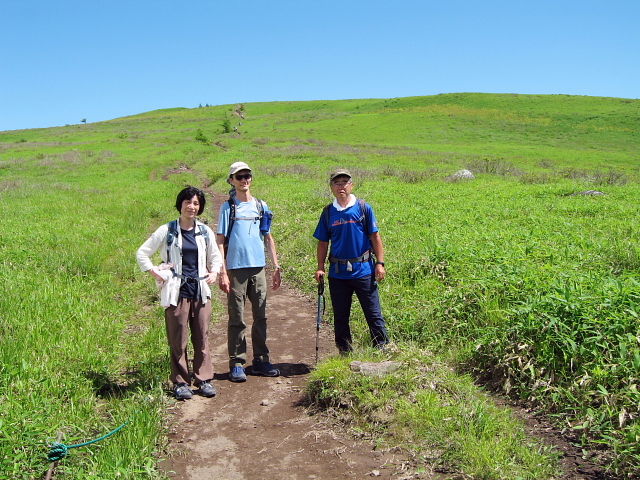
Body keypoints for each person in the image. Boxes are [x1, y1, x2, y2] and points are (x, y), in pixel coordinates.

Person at [136, 186, 222, 400]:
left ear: (200, 207)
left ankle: (204, 379)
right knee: (178, 339)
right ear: (180, 204)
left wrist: (215, 272)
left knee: (202, 337)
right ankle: (181, 382)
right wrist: (155, 272)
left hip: (200, 291)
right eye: (188, 202)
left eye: (196, 203)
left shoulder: (204, 231)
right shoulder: (167, 230)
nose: (192, 207)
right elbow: (142, 253)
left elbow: (215, 256)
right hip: (176, 292)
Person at [217, 161, 282, 382]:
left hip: (259, 268)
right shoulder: (228, 207)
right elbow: (220, 241)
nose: (244, 180)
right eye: (239, 177)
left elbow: (268, 237)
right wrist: (222, 272)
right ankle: (237, 363)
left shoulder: (261, 206)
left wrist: (276, 266)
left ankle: (262, 360)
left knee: (261, 316)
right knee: (236, 317)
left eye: (247, 176)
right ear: (231, 181)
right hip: (236, 269)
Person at [313, 169, 389, 354]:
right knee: (340, 317)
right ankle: (345, 353)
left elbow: (375, 236)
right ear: (331, 187)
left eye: (345, 182)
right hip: (338, 274)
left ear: (352, 185)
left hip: (364, 270)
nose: (341, 186)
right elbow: (323, 242)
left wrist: (380, 263)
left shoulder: (363, 208)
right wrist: (320, 268)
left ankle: (382, 350)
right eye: (337, 183)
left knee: (373, 314)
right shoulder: (328, 213)